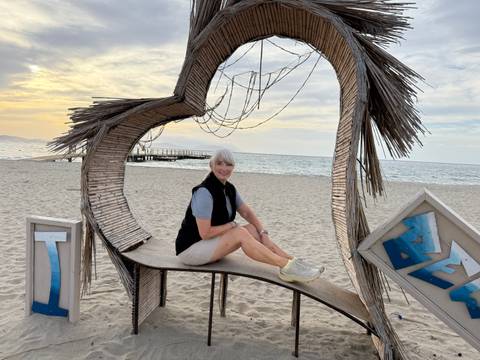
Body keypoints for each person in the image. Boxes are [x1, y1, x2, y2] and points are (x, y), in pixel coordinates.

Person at [175, 149, 324, 283]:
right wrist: (231, 225)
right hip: (190, 250)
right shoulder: (204, 192)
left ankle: (292, 261)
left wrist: (263, 232)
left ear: (233, 167)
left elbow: (246, 212)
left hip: (208, 245)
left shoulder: (229, 189)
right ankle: (285, 266)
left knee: (252, 229)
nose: (224, 168)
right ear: (211, 165)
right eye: (219, 163)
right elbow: (205, 233)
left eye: (229, 164)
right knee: (240, 232)